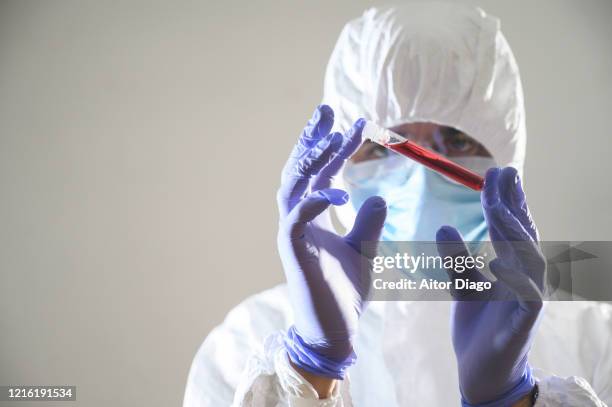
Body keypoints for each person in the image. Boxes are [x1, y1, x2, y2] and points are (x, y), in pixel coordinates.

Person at [184, 4, 612, 406]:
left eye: (458, 141)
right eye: (383, 147)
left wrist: (515, 399)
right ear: (339, 162)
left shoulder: (596, 341)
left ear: (507, 156)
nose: (420, 178)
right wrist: (310, 370)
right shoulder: (246, 342)